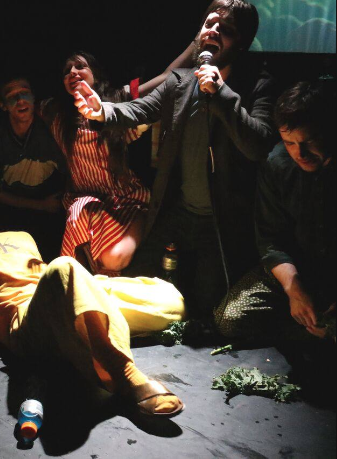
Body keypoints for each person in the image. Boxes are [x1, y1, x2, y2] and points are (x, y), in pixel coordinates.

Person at [74, 0, 277, 318]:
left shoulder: (257, 85)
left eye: (226, 29)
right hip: (179, 212)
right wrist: (102, 111)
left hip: (220, 223)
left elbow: (258, 145)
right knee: (136, 282)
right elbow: (139, 109)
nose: (213, 31)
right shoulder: (181, 81)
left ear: (242, 43)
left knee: (206, 310)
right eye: (209, 23)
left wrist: (221, 93)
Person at [0, 206, 186, 417]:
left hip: (62, 296)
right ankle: (126, 375)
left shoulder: (21, 236)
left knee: (172, 303)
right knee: (63, 266)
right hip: (28, 319)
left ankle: (87, 332)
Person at [41, 47, 194, 276]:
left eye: (80, 66)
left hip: (125, 200)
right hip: (84, 201)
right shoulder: (59, 116)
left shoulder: (118, 101)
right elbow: (23, 106)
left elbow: (165, 79)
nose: (72, 72)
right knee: (79, 214)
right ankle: (76, 284)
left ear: (95, 74)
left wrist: (196, 44)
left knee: (113, 260)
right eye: (67, 71)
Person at [214, 81, 335, 341]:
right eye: (289, 142)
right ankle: (303, 326)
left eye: (309, 141)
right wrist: (293, 289)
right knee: (229, 318)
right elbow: (271, 239)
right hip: (297, 271)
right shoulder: (277, 163)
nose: (300, 153)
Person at [0, 77, 67, 262]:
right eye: (12, 96)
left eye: (24, 93)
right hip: (11, 212)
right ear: (3, 105)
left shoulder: (51, 130)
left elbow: (69, 172)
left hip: (50, 209)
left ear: (33, 97)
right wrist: (41, 205)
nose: (20, 100)